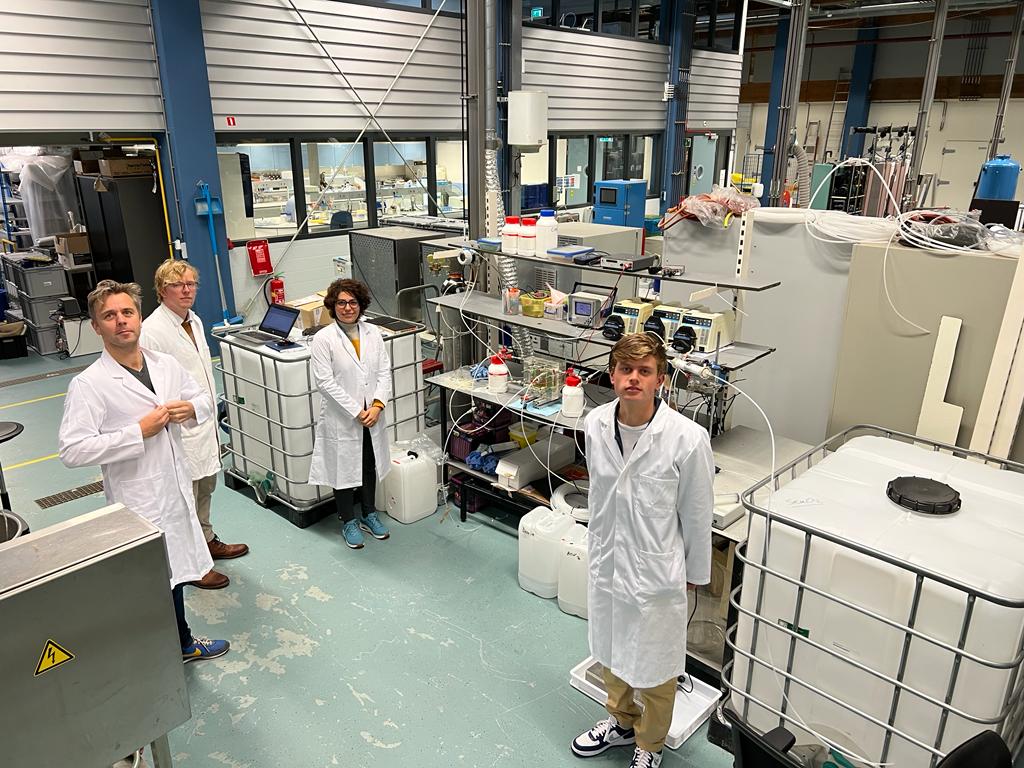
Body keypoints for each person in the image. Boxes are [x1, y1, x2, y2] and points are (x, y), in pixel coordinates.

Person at [58, 280, 229, 663]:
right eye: (110, 316)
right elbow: (72, 449)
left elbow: (201, 394)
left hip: (174, 487)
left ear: (138, 317)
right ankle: (171, 648)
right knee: (153, 580)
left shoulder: (165, 365)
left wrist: (193, 409)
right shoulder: (89, 385)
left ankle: (179, 644)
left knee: (173, 574)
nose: (121, 322)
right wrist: (138, 432)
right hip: (138, 499)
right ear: (96, 326)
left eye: (127, 312)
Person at [571, 333, 714, 768]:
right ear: (612, 376)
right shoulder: (595, 424)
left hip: (657, 572)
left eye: (645, 371)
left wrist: (694, 572)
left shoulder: (687, 439)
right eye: (626, 369)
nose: (634, 378)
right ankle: (620, 721)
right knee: (612, 647)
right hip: (608, 559)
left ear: (661, 381)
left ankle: (649, 746)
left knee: (655, 664)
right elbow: (599, 493)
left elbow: (696, 512)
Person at [140, 259, 249, 590]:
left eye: (191, 284)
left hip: (202, 420)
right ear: (162, 290)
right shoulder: (152, 330)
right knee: (183, 497)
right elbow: (149, 385)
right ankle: (193, 565)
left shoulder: (195, 321)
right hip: (178, 427)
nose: (187, 290)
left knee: (205, 488)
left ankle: (207, 540)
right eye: (178, 285)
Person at [308, 278, 393, 549]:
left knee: (368, 463)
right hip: (343, 417)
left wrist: (377, 406)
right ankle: (348, 520)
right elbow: (325, 382)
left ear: (361, 305)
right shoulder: (324, 339)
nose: (347, 308)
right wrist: (357, 411)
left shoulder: (373, 333)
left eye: (353, 302)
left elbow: (383, 373)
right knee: (342, 468)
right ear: (333, 306)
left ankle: (369, 513)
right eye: (341, 302)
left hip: (372, 415)